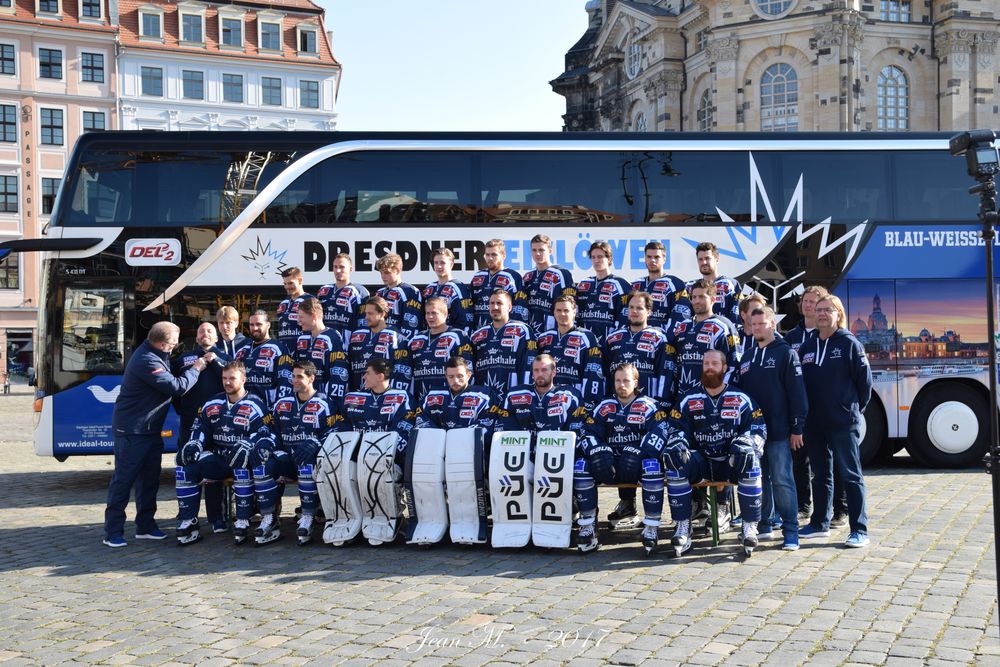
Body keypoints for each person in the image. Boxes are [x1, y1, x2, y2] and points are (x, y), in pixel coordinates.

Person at [103, 321, 207, 548]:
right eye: (172, 343)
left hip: (149, 430)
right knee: (124, 481)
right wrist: (196, 368)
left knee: (149, 480)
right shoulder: (147, 360)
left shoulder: (159, 353)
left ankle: (146, 526)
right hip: (132, 430)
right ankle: (112, 532)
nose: (175, 346)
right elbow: (177, 387)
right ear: (161, 343)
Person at [662, 350, 767, 557]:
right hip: (701, 462)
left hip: (729, 461)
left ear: (724, 368)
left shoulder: (741, 398)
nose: (710, 368)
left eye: (715, 364)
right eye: (706, 363)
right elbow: (675, 427)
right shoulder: (688, 399)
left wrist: (747, 442)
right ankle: (683, 527)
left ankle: (749, 526)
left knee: (750, 460)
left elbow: (758, 427)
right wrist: (679, 441)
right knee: (675, 459)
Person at [798, 294, 873, 548]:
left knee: (851, 475)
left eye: (827, 310)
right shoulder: (807, 346)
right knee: (820, 475)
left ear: (838, 314)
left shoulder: (849, 343)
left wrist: (852, 410)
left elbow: (865, 383)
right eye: (818, 310)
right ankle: (820, 523)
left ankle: (859, 529)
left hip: (842, 422)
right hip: (815, 423)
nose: (821, 314)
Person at [574, 363, 670, 554]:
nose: (621, 385)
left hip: (636, 465)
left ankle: (651, 527)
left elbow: (660, 433)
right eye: (618, 380)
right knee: (581, 465)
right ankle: (588, 526)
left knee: (652, 466)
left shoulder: (650, 406)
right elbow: (587, 432)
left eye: (626, 380)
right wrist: (597, 451)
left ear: (635, 382)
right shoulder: (604, 406)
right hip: (608, 465)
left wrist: (639, 453)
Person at [174, 361, 273, 546]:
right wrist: (194, 444)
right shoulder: (212, 403)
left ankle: (243, 519)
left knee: (243, 466)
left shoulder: (256, 405)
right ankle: (189, 521)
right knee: (185, 467)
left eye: (232, 378)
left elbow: (266, 434)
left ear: (243, 379)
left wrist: (250, 445)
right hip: (218, 458)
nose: (227, 382)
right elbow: (199, 428)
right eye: (224, 378)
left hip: (244, 461)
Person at [739, 306, 808, 551]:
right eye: (753, 325)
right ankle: (765, 524)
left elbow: (797, 394)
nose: (757, 328)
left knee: (782, 480)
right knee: (759, 480)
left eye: (762, 324)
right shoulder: (746, 357)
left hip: (779, 431)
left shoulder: (786, 353)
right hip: (754, 434)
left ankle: (791, 530)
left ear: (772, 324)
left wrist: (797, 427)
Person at [601, 291, 672, 528]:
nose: (634, 312)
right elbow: (605, 373)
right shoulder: (613, 339)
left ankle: (652, 511)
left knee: (644, 454)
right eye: (631, 307)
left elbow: (665, 372)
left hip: (649, 406)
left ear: (649, 312)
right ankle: (627, 504)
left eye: (639, 308)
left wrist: (659, 404)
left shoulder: (659, 338)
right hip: (621, 404)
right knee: (622, 445)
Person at [261, 361, 338, 545]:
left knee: (306, 465)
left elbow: (334, 431)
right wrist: (269, 446)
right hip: (287, 459)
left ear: (311, 378)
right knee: (263, 466)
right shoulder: (282, 403)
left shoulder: (325, 403)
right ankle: (269, 518)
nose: (294, 380)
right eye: (293, 376)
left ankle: (308, 516)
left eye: (299, 377)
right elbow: (271, 431)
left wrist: (317, 443)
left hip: (312, 463)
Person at [784, 285, 835, 523]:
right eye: (805, 301)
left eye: (813, 302)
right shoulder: (791, 337)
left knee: (827, 463)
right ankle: (804, 505)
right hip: (800, 411)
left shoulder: (831, 336)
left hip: (824, 409)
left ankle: (839, 508)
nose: (808, 305)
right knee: (800, 460)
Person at [171, 322, 227, 534]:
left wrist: (217, 362)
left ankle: (216, 518)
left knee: (212, 470)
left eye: (210, 331)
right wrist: (184, 411)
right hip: (189, 422)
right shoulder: (183, 359)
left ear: (216, 337)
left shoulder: (225, 358)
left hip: (216, 425)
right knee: (186, 466)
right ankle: (186, 515)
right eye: (201, 331)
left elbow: (234, 384)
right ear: (196, 337)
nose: (205, 334)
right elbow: (174, 390)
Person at [665, 278, 740, 402]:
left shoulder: (724, 326)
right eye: (693, 297)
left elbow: (733, 364)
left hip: (711, 397)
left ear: (713, 299)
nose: (696, 301)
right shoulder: (682, 327)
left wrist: (721, 395)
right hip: (682, 397)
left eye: (701, 297)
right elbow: (671, 362)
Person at [536, 295, 605, 410]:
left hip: (575, 400)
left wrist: (588, 403)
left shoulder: (587, 337)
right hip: (547, 399)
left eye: (566, 310)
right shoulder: (543, 338)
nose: (562, 314)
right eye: (558, 310)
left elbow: (593, 372)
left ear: (574, 312)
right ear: (553, 312)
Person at [471, 288, 535, 397]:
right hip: (484, 400)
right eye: (492, 303)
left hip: (513, 399)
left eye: (499, 303)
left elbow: (528, 368)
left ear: (509, 307)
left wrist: (523, 395)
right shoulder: (477, 336)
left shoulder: (522, 331)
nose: (495, 307)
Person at [409, 296, 474, 403]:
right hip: (421, 398)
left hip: (449, 399)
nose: (430, 316)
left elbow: (467, 369)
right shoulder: (416, 339)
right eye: (427, 313)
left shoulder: (458, 336)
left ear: (445, 314)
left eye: (434, 313)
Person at [413, 356, 501, 434]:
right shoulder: (432, 394)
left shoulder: (485, 395)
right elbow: (421, 419)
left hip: (470, 447)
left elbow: (488, 422)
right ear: (446, 376)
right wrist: (440, 436)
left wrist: (458, 436)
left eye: (460, 376)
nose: (455, 381)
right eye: (451, 377)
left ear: (468, 375)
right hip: (437, 446)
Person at [345, 295, 412, 392]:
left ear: (382, 314)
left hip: (385, 397)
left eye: (370, 313)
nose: (366, 317)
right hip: (359, 397)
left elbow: (401, 372)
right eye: (366, 313)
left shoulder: (397, 338)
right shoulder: (356, 336)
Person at [514, 234, 576, 336]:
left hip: (553, 334)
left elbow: (572, 305)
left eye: (541, 250)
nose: (537, 253)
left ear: (550, 251)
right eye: (534, 250)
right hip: (532, 334)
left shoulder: (562, 274)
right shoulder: (527, 276)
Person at [292, 297, 349, 404]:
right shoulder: (302, 339)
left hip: (324, 400)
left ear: (313, 316)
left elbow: (338, 371)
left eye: (301, 317)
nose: (298, 321)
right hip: (304, 399)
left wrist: (331, 402)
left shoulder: (332, 336)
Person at [574, 240, 632, 342]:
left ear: (609, 259)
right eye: (593, 257)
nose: (596, 260)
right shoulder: (583, 284)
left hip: (610, 343)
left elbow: (626, 316)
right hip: (585, 343)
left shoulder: (621, 284)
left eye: (600, 257)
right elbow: (575, 314)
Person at [235, 310, 294, 408]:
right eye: (251, 325)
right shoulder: (242, 351)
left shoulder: (279, 349)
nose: (255, 328)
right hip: (243, 408)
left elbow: (285, 381)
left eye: (259, 324)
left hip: (268, 409)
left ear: (268, 325)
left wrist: (279, 408)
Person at [631, 241, 690, 330]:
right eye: (649, 257)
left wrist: (667, 339)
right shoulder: (636, 285)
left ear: (664, 258)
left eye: (656, 257)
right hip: (638, 340)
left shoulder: (675, 284)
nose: (652, 260)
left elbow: (681, 315)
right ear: (645, 258)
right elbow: (626, 314)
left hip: (662, 340)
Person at [316, 253, 370, 342]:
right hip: (324, 345)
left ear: (350, 269)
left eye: (342, 267)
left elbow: (363, 323)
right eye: (335, 267)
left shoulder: (360, 291)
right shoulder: (323, 291)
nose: (338, 270)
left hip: (348, 345)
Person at [470, 239, 523, 330]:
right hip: (480, 332)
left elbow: (520, 308)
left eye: (494, 255)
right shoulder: (477, 277)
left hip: (504, 331)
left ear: (503, 256)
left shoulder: (513, 277)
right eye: (487, 255)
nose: (490, 258)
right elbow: (470, 306)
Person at [688, 241, 743, 325]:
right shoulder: (691, 287)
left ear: (717, 259)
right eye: (700, 259)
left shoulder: (731, 284)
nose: (704, 262)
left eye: (707, 258)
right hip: (699, 335)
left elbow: (737, 317)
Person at [422, 247, 474, 334]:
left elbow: (465, 322)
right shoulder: (429, 289)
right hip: (431, 341)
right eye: (436, 263)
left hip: (450, 340)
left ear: (451, 264)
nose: (438, 266)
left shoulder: (458, 288)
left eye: (442, 263)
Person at [375, 252, 423, 340]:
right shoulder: (379, 293)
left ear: (397, 270)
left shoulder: (410, 291)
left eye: (386, 272)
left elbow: (412, 324)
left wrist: (403, 344)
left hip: (400, 343)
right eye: (381, 273)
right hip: (381, 342)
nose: (383, 276)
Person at [276, 267, 312, 349]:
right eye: (285, 284)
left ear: (300, 280)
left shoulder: (310, 301)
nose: (287, 287)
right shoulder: (283, 304)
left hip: (303, 352)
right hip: (284, 354)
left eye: (290, 283)